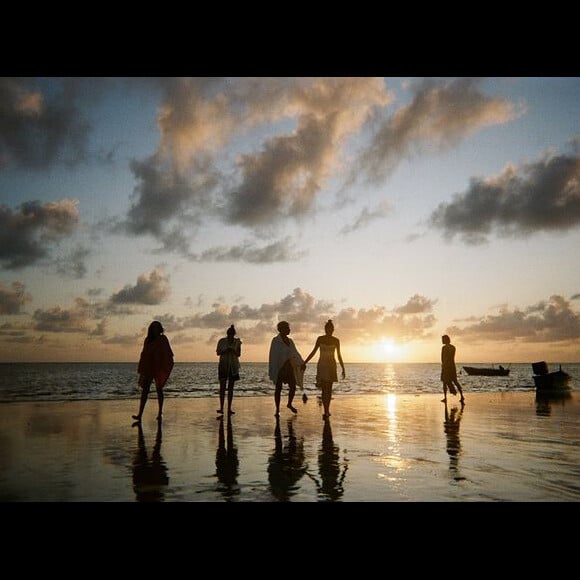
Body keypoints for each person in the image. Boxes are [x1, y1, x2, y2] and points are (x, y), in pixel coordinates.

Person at [302, 319, 345, 419]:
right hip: (322, 365)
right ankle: (326, 411)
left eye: (330, 329)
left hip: (331, 366)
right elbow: (313, 352)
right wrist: (305, 362)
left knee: (328, 390)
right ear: (325, 329)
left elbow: (339, 355)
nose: (329, 331)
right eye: (327, 329)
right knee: (324, 389)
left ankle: (326, 411)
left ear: (333, 330)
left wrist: (343, 368)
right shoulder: (320, 339)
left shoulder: (336, 340)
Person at [132, 321, 174, 423]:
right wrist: (142, 367)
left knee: (159, 390)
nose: (155, 330)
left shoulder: (163, 339)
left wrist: (165, 363)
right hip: (148, 367)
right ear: (151, 329)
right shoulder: (148, 340)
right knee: (145, 391)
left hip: (159, 367)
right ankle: (140, 415)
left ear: (159, 329)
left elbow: (168, 353)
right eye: (153, 328)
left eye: (156, 328)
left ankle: (160, 412)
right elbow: (144, 353)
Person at [268, 320, 304, 417]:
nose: (289, 329)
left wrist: (301, 363)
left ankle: (289, 404)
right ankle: (277, 409)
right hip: (280, 368)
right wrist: (275, 368)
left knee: (292, 387)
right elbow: (273, 356)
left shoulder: (290, 341)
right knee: (278, 388)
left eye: (289, 328)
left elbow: (295, 353)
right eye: (287, 328)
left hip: (289, 368)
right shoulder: (276, 340)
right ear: (281, 329)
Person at [216, 324, 242, 416]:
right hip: (223, 365)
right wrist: (226, 350)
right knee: (222, 387)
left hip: (233, 366)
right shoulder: (222, 341)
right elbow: (218, 352)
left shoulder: (237, 342)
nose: (230, 336)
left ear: (233, 334)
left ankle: (229, 408)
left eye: (232, 334)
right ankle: (222, 407)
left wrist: (233, 351)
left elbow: (239, 354)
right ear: (227, 334)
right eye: (229, 334)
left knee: (231, 388)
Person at [440, 334, 464, 404]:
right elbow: (451, 357)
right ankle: (462, 396)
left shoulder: (444, 348)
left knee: (445, 382)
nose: (442, 341)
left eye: (443, 339)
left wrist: (443, 366)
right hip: (452, 366)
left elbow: (443, 358)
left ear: (446, 340)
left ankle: (445, 397)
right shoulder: (453, 347)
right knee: (455, 381)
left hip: (446, 367)